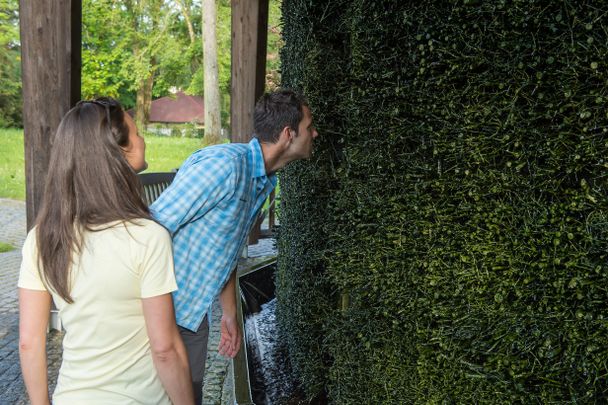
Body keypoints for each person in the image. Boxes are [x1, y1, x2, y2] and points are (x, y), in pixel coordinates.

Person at [18, 98, 194, 405]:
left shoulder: (43, 238)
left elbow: (29, 343)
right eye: (137, 133)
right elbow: (165, 349)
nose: (143, 139)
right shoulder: (147, 237)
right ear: (119, 150)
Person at [150, 89, 319, 404]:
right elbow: (152, 227)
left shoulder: (262, 179)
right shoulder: (226, 166)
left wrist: (229, 313)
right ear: (288, 134)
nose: (315, 133)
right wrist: (147, 317)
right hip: (158, 315)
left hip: (191, 315)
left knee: (191, 395)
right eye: (310, 126)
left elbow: (226, 247)